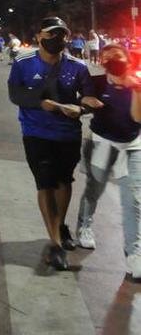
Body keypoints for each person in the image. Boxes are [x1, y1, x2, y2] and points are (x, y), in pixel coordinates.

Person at [6, 16, 98, 271]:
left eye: (61, 35)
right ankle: (56, 243)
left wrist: (80, 109)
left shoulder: (78, 67)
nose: (57, 40)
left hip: (67, 134)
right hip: (35, 132)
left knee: (63, 181)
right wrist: (41, 102)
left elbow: (88, 97)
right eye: (51, 34)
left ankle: (59, 225)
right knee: (44, 182)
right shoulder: (23, 63)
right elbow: (16, 94)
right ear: (39, 36)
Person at [73, 44, 141, 279]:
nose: (114, 61)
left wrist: (137, 91)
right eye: (108, 58)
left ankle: (134, 254)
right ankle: (84, 226)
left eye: (118, 57)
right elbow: (82, 102)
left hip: (132, 144)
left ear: (127, 59)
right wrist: (86, 101)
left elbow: (137, 118)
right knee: (95, 187)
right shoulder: (97, 82)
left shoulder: (137, 83)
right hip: (102, 141)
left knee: (133, 198)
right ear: (102, 61)